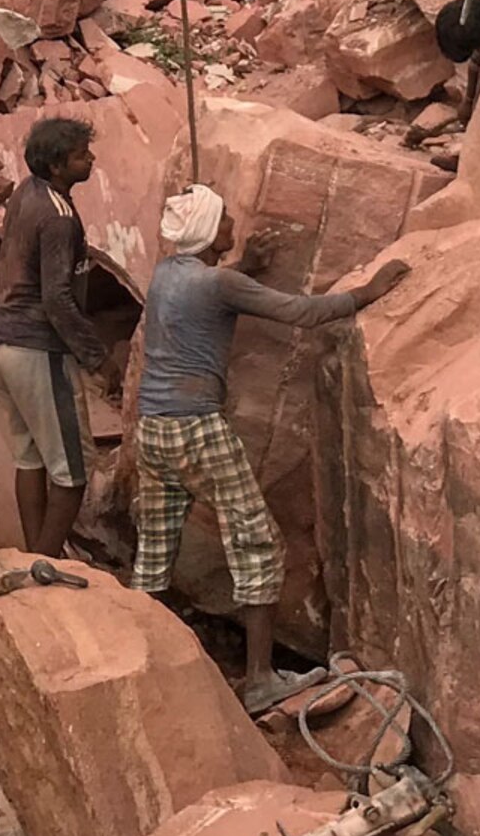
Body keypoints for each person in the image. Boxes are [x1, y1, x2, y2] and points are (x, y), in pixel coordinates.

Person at [129, 187, 410, 708]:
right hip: (197, 429)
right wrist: (367, 292)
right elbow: (302, 312)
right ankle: (259, 679)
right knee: (258, 544)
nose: (236, 220)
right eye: (225, 218)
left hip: (153, 427)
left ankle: (143, 661)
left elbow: (217, 291)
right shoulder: (219, 282)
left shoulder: (170, 273)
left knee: (156, 547)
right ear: (211, 233)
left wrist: (245, 267)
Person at [0, 118, 112, 558]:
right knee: (73, 471)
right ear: (57, 166)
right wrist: (96, 357)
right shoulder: (59, 217)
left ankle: (35, 557)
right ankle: (45, 563)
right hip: (37, 347)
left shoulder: (25, 193)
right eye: (81, 155)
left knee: (29, 457)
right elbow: (56, 298)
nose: (90, 159)